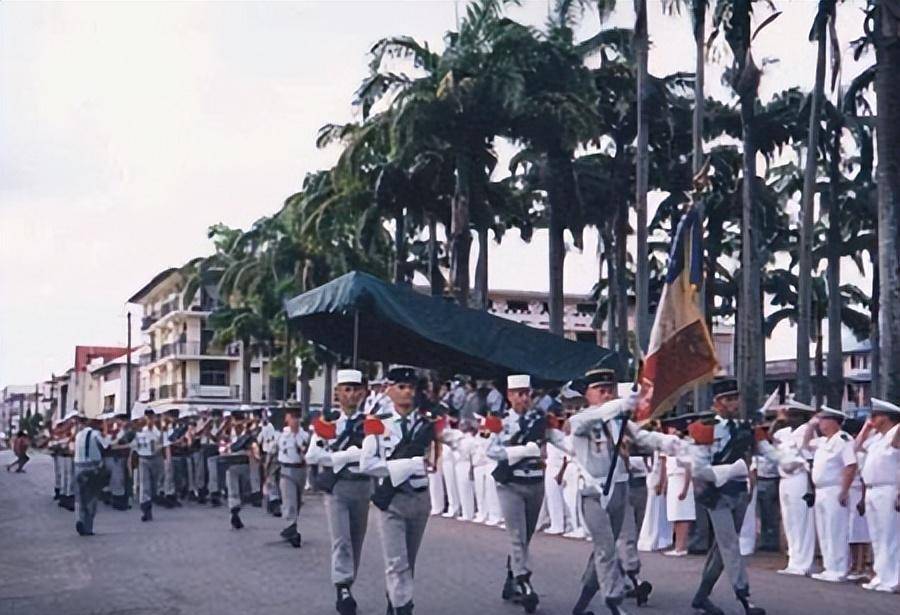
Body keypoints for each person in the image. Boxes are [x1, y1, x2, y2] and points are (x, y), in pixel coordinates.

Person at [559, 368, 674, 615]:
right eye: (601, 390)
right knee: (606, 549)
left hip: (620, 488)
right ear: (587, 394)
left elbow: (641, 437)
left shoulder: (618, 421)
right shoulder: (580, 420)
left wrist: (671, 443)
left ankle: (581, 604)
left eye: (609, 390)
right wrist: (623, 403)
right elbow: (596, 417)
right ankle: (614, 601)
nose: (606, 394)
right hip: (594, 493)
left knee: (604, 550)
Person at [360, 366, 440, 615]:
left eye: (411, 388)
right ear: (389, 390)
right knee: (396, 562)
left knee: (408, 561)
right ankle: (403, 607)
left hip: (418, 499)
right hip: (392, 499)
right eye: (402, 387)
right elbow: (367, 464)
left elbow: (451, 439)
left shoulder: (426, 423)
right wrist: (401, 467)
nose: (407, 393)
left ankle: (395, 597)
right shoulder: (376, 425)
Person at [688, 380, 765, 615]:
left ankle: (701, 597)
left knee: (722, 551)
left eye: (735, 398)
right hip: (716, 493)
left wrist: (786, 459)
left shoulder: (746, 428)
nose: (733, 403)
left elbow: (764, 450)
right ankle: (745, 598)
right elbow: (699, 467)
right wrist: (724, 473)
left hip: (739, 491)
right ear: (716, 403)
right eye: (728, 399)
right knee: (730, 544)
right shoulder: (705, 427)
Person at [306, 368, 373, 615]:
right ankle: (342, 586)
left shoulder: (371, 423)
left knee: (356, 540)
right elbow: (313, 455)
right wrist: (344, 456)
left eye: (356, 390)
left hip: (362, 485)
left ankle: (347, 582)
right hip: (338, 486)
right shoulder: (329, 423)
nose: (352, 395)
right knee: (341, 540)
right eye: (347, 390)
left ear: (364, 392)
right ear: (338, 393)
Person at [484, 374, 547, 613]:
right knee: (517, 535)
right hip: (510, 484)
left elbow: (555, 439)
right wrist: (521, 451)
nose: (524, 398)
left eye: (526, 393)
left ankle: (511, 578)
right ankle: (524, 582)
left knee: (526, 535)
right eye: (518, 394)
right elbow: (490, 450)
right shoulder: (498, 420)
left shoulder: (539, 420)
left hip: (534, 482)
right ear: (509, 396)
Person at [803, 405, 857, 582]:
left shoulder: (843, 439)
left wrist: (844, 490)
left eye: (823, 420)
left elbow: (850, 465)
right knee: (824, 530)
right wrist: (810, 427)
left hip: (835, 488)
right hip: (821, 490)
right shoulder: (823, 441)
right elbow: (805, 445)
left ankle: (839, 568)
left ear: (834, 421)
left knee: (836, 529)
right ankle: (829, 567)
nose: (820, 424)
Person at [855, 398, 900, 593]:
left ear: (886, 417)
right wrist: (866, 429)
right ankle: (881, 576)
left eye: (875, 416)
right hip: (872, 489)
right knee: (877, 536)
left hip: (889, 489)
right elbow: (856, 448)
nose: (872, 419)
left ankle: (893, 578)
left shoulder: (895, 435)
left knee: (890, 536)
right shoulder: (877, 438)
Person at [770, 399, 818, 576]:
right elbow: (770, 439)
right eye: (789, 414)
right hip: (784, 479)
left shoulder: (807, 431)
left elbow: (807, 453)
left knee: (801, 520)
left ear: (803, 416)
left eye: (794, 415)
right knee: (789, 520)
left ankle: (804, 562)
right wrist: (778, 420)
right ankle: (794, 559)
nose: (790, 418)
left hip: (799, 477)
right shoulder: (784, 432)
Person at [275, 408, 309, 548]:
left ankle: (291, 525)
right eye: (292, 417)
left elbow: (306, 451)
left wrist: (297, 438)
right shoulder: (281, 435)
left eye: (297, 417)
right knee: (289, 500)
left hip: (300, 469)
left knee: (297, 500)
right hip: (286, 469)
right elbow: (273, 452)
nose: (294, 420)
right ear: (286, 419)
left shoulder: (305, 435)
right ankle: (292, 528)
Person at [72, 414, 109, 535]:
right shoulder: (95, 434)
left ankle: (80, 519)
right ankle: (88, 526)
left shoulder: (79, 435)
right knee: (92, 496)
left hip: (78, 466)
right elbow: (106, 445)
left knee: (80, 497)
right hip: (91, 467)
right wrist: (106, 432)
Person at [130, 408, 165, 522]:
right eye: (147, 416)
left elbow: (162, 443)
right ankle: (146, 509)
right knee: (145, 485)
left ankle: (153, 499)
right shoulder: (140, 431)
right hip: (144, 459)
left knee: (155, 484)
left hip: (156, 458)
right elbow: (135, 446)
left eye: (151, 416)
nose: (149, 418)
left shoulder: (158, 431)